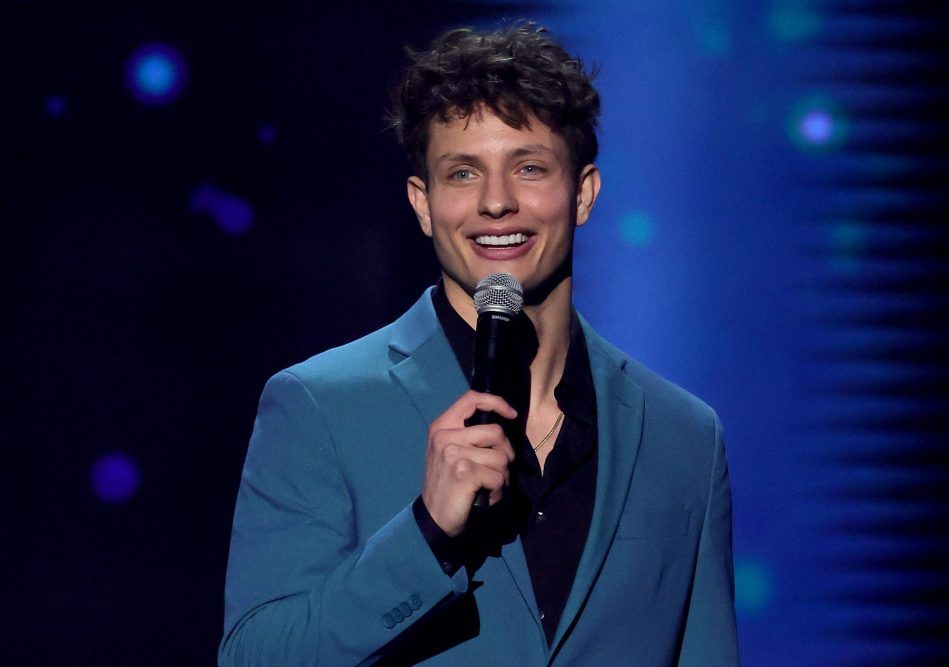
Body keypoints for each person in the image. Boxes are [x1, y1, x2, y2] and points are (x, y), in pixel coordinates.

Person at [220, 23, 739, 666]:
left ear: (583, 193)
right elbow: (254, 658)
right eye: (463, 173)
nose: (496, 202)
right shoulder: (318, 406)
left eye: (528, 167)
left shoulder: (682, 436)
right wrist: (426, 534)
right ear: (423, 204)